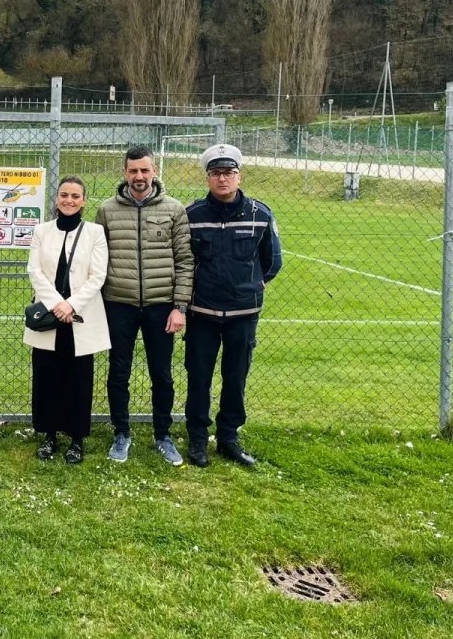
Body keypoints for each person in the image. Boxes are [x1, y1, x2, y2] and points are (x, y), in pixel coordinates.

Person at [184, 144, 283, 468]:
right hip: (203, 314)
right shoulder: (192, 216)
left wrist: (252, 285)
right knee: (199, 377)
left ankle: (228, 438)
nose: (222, 179)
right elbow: (183, 261)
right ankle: (198, 440)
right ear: (208, 177)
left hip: (243, 315)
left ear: (239, 176)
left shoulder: (260, 214)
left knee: (235, 377)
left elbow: (272, 262)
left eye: (228, 173)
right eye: (215, 173)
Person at [94, 146, 194, 466]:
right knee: (118, 372)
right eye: (133, 170)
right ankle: (121, 433)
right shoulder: (107, 210)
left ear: (154, 171)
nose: (139, 176)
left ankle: (163, 435)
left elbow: (185, 261)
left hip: (160, 306)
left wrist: (180, 306)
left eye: (145, 170)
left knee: (162, 375)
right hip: (118, 304)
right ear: (124, 172)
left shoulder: (174, 209)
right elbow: (97, 261)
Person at [24, 176, 110, 464]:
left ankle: (76, 439)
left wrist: (71, 305)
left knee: (78, 379)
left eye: (75, 196)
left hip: (80, 317)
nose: (69, 200)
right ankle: (49, 435)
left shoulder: (95, 232)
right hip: (50, 315)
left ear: (84, 200)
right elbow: (35, 272)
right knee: (47, 377)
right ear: (57, 199)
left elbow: (97, 276)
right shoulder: (42, 231)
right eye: (64, 195)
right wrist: (57, 304)